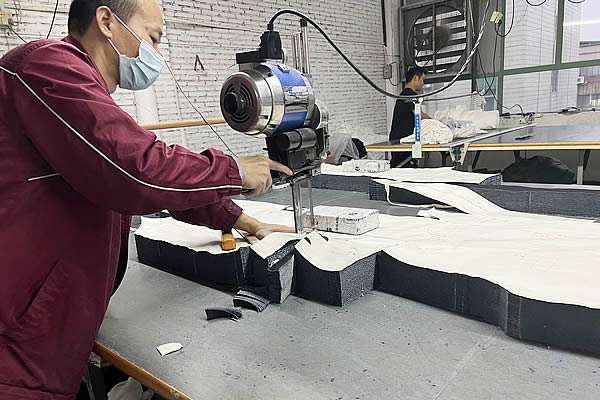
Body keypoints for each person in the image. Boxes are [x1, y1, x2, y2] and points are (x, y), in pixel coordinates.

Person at [0, 0, 295, 398]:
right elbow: (136, 170)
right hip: (16, 352)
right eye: (153, 38)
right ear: (107, 21)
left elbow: (141, 175)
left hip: (43, 339)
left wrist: (244, 222)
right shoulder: (46, 69)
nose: (156, 53)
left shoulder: (78, 91)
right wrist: (235, 172)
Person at [389, 66, 432, 168]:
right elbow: (419, 115)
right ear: (415, 78)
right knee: (402, 167)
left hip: (400, 138)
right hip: (401, 139)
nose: (423, 83)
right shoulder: (409, 95)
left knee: (403, 166)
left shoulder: (405, 94)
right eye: (422, 80)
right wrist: (436, 123)